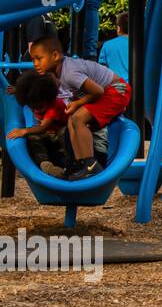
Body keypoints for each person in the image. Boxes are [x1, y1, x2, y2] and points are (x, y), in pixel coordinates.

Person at [28, 35, 130, 181]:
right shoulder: (59, 72)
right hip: (107, 92)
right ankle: (79, 164)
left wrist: (77, 104)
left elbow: (98, 91)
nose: (35, 64)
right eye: (33, 60)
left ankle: (91, 165)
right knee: (72, 122)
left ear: (55, 55)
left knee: (78, 118)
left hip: (116, 90)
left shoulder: (69, 73)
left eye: (39, 58)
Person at [6, 69, 70, 177]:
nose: (37, 111)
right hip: (49, 135)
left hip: (60, 134)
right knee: (33, 137)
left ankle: (70, 165)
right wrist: (18, 90)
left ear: (49, 99)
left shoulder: (55, 105)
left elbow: (43, 127)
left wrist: (24, 131)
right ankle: (44, 164)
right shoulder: (35, 97)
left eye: (40, 107)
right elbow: (32, 90)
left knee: (65, 133)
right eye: (32, 107)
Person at [97, 13, 131, 83]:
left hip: (115, 88)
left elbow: (101, 70)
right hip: (138, 88)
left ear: (118, 28)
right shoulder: (141, 45)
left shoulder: (107, 45)